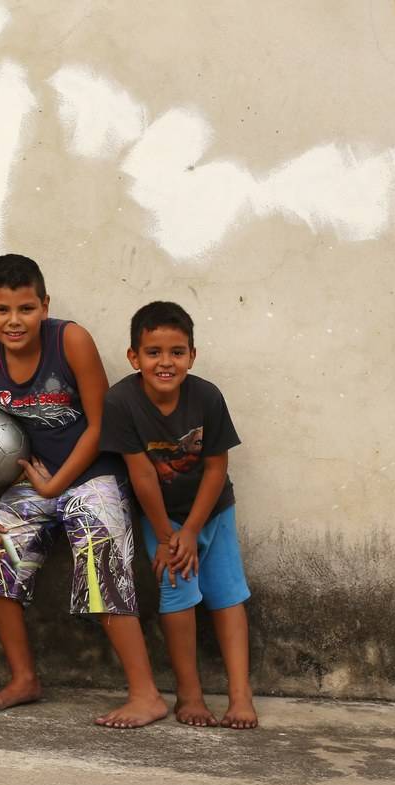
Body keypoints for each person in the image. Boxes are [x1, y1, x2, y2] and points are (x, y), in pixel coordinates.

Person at [0, 254, 168, 728]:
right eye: (2, 310)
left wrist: (58, 483)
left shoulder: (69, 339)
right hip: (36, 481)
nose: (14, 321)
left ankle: (146, 694)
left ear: (44, 305)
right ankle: (24, 678)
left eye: (26, 308)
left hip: (94, 475)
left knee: (102, 560)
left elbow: (102, 425)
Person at [100, 300, 258, 729]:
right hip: (161, 518)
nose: (165, 362)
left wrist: (192, 529)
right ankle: (189, 694)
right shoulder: (121, 401)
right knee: (177, 593)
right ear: (135, 357)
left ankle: (240, 695)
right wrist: (169, 537)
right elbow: (142, 475)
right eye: (153, 353)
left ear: (192, 355)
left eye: (176, 352)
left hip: (213, 511)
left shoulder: (206, 396)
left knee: (227, 596)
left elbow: (216, 466)